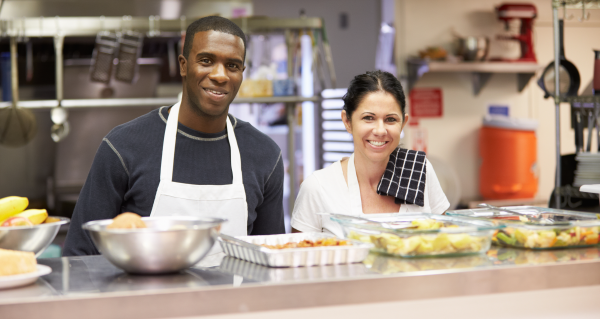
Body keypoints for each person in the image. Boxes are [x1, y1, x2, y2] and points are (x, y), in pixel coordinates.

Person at [64, 16, 285, 256]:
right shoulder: (123, 147)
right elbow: (79, 255)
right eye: (206, 60)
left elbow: (272, 258)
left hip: (234, 294)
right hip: (144, 293)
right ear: (183, 65)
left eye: (232, 65)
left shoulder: (265, 155)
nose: (220, 75)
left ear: (242, 72)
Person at [291, 70, 449, 235]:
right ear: (347, 121)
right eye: (368, 118)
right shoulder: (318, 187)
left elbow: (446, 244)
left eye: (391, 119)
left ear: (403, 123)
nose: (380, 130)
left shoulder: (420, 171)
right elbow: (298, 257)